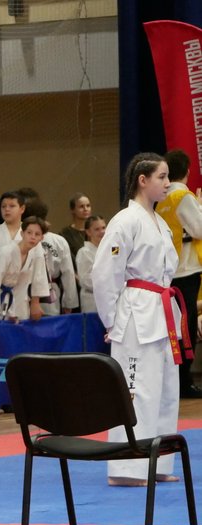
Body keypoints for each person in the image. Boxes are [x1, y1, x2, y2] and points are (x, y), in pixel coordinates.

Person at [93, 153, 188, 487]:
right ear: (142, 180)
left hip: (163, 312)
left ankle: (158, 461)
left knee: (165, 391)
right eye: (162, 177)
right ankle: (126, 468)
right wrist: (111, 321)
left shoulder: (159, 222)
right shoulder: (125, 220)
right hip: (135, 314)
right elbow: (104, 273)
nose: (167, 183)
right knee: (135, 392)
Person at [155, 149, 202, 398]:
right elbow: (199, 229)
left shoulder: (160, 197)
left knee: (173, 326)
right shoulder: (182, 195)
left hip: (168, 270)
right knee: (186, 326)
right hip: (186, 269)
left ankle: (176, 381)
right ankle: (184, 382)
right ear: (187, 171)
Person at [0, 216, 50, 322]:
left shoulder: (34, 254)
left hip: (15, 302)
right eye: (29, 233)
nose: (33, 237)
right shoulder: (5, 253)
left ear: (41, 238)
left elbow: (34, 279)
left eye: (37, 234)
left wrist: (17, 310)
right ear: (22, 234)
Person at [75, 214, 105, 314]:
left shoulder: (113, 249)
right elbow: (85, 280)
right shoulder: (84, 252)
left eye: (103, 228)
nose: (102, 232)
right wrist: (108, 284)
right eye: (97, 229)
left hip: (112, 299)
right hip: (92, 301)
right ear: (88, 232)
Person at [60, 192, 92, 264]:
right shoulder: (65, 234)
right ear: (73, 210)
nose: (85, 209)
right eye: (81, 206)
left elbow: (112, 248)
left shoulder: (97, 231)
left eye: (88, 206)